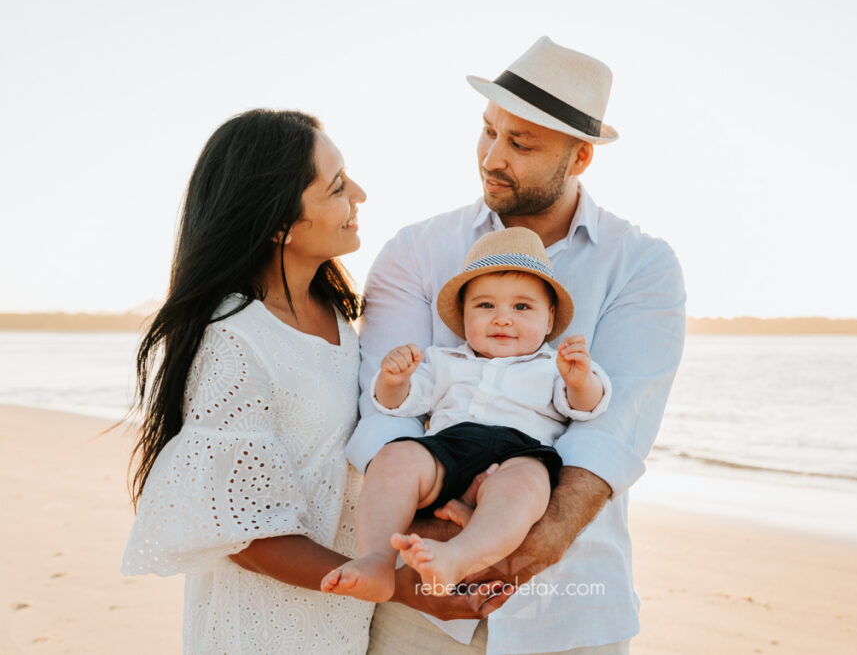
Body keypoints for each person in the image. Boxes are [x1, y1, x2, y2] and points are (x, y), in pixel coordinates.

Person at [347, 36, 686, 654]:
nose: (492, 157)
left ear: (579, 157)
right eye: (488, 131)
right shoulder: (416, 251)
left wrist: (529, 539)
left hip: (572, 604)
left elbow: (613, 427)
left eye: (521, 143)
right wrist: (431, 544)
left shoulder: (642, 265)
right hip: (419, 611)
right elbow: (383, 415)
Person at [121, 109, 377, 653]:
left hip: (343, 616)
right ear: (279, 226)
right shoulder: (233, 336)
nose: (359, 192)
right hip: (262, 628)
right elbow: (245, 532)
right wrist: (399, 585)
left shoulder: (338, 314)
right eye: (336, 187)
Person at [322, 227, 611, 601]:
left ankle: (456, 558)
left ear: (550, 319)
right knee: (394, 456)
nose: (503, 319)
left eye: (522, 307)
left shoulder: (553, 366)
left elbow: (589, 408)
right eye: (485, 306)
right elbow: (399, 405)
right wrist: (394, 380)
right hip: (448, 448)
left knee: (526, 488)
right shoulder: (445, 361)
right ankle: (377, 560)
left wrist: (580, 380)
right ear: (463, 316)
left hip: (520, 455)